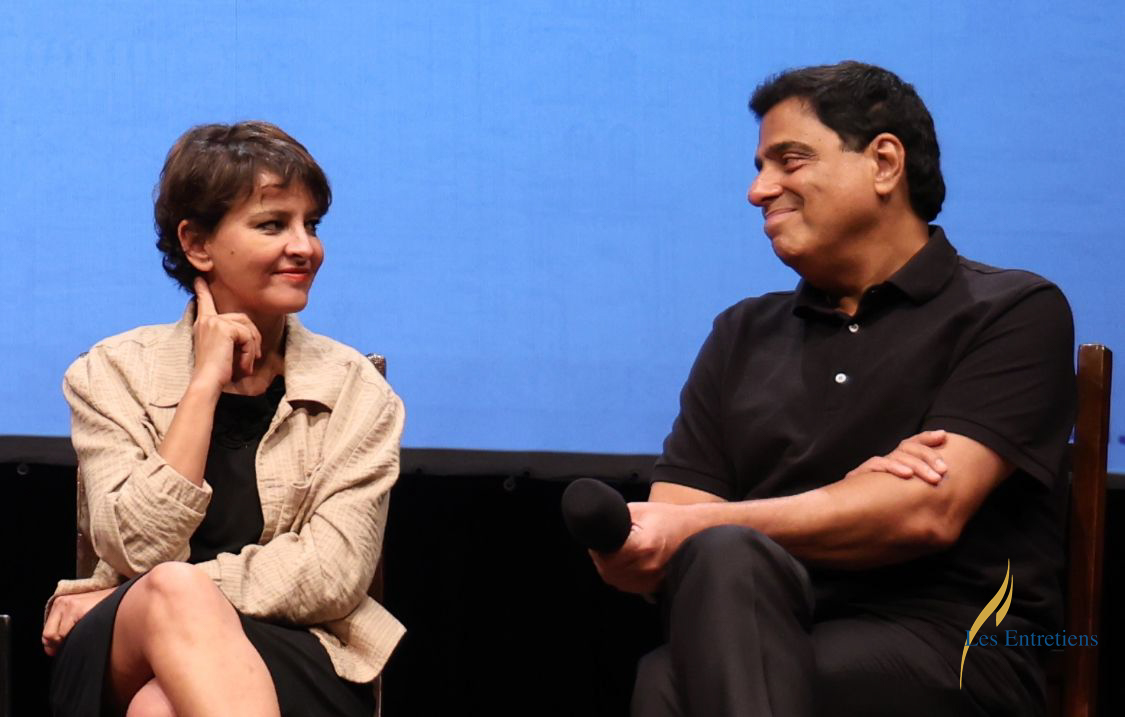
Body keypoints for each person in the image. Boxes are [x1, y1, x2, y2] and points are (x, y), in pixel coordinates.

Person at [592, 61, 1075, 716]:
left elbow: (923, 513)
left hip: (952, 643)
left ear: (883, 163)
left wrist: (706, 523)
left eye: (788, 161)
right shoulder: (741, 333)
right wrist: (853, 495)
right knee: (721, 565)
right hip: (765, 624)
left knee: (672, 677)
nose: (758, 191)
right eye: (759, 168)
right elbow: (668, 532)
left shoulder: (1010, 309)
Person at [42, 121, 404, 717]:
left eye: (311, 225)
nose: (305, 247)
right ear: (197, 244)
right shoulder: (112, 372)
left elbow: (332, 574)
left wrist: (176, 590)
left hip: (298, 647)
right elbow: (137, 549)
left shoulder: (354, 389)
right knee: (168, 589)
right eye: (273, 224)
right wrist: (204, 384)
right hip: (125, 645)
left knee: (161, 706)